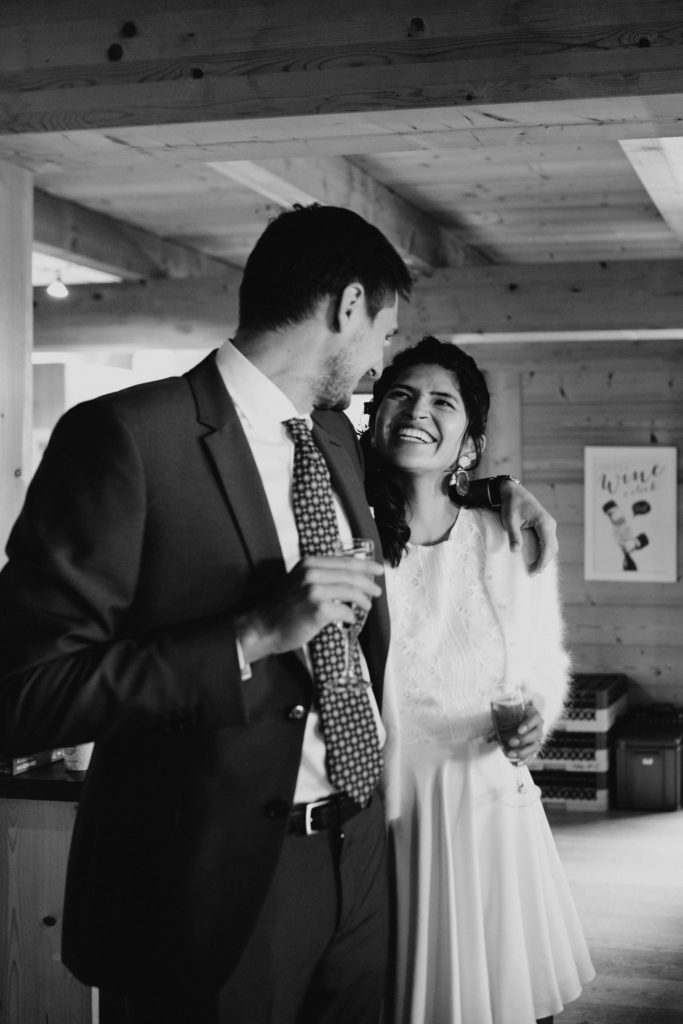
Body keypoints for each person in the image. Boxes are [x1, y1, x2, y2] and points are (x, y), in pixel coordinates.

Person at [0, 206, 557, 1024]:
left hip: (363, 857)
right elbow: (21, 694)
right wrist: (248, 636)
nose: (376, 367)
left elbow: (422, 477)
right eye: (382, 335)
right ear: (348, 306)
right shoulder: (125, 437)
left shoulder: (333, 437)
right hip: (211, 887)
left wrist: (492, 491)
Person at [361, 336, 595, 1024]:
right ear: (373, 417)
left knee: (505, 1000)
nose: (417, 412)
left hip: (489, 804)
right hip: (387, 805)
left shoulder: (506, 534)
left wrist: (534, 720)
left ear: (470, 437)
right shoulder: (342, 529)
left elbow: (543, 662)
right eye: (400, 395)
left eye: (442, 401)